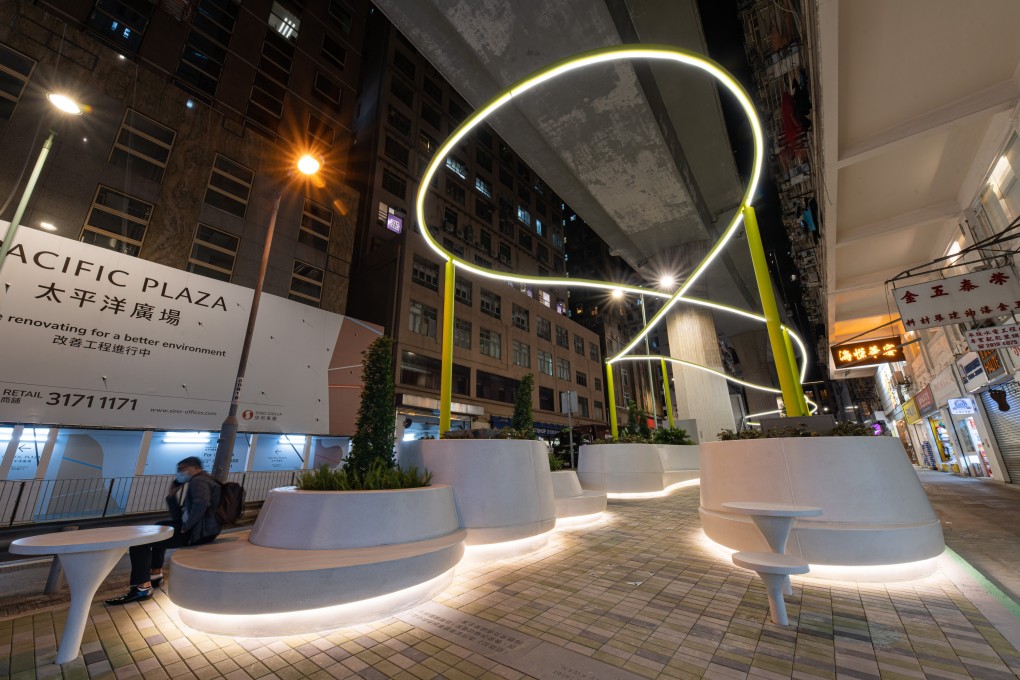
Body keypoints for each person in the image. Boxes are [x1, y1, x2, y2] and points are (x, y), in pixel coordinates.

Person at [105, 456, 222, 605]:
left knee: (140, 543)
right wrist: (172, 495)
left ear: (194, 468)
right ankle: (155, 575)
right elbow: (178, 516)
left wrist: (186, 527)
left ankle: (142, 588)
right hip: (201, 531)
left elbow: (201, 504)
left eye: (182, 469)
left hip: (196, 533)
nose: (179, 473)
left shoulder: (198, 481)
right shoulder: (204, 480)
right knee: (160, 527)